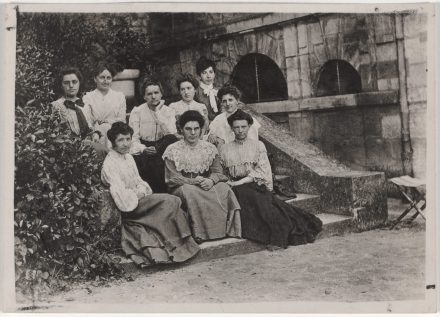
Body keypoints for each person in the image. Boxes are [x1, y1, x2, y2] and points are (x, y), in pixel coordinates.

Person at [101, 121, 200, 267]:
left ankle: (179, 245)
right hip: (130, 207)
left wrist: (141, 190)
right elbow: (120, 195)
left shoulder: (128, 157)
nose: (125, 144)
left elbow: (139, 181)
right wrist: (138, 193)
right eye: (120, 140)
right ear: (113, 142)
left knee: (174, 202)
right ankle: (175, 245)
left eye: (128, 139)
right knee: (172, 201)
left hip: (140, 198)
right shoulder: (110, 163)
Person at [219, 109, 322, 249]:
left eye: (243, 127)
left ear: (249, 127)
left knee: (264, 207)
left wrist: (240, 182)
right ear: (231, 128)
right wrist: (230, 182)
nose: (240, 130)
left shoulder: (258, 145)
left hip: (254, 183)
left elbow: (262, 171)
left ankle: (278, 237)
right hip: (234, 187)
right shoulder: (224, 149)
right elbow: (223, 171)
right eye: (236, 127)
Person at [162, 110, 241, 243]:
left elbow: (218, 172)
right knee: (190, 191)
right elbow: (172, 178)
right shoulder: (172, 150)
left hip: (205, 184)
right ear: (181, 129)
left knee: (224, 188)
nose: (193, 133)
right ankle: (201, 234)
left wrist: (211, 180)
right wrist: (193, 181)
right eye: (188, 129)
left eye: (196, 128)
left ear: (201, 129)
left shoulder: (209, 148)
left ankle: (227, 230)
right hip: (183, 186)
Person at [129, 80, 178, 193]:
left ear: (161, 94)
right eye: (149, 94)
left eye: (156, 92)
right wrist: (143, 149)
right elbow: (133, 138)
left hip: (162, 147)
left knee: (171, 138)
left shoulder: (168, 111)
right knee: (150, 165)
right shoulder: (137, 111)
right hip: (144, 148)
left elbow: (171, 134)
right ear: (144, 97)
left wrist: (158, 113)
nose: (153, 96)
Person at [51, 66, 108, 159]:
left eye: (74, 82)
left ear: (79, 83)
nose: (71, 86)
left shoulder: (86, 104)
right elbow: (55, 132)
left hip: (89, 144)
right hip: (69, 147)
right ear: (61, 85)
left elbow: (94, 124)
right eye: (66, 83)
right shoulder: (56, 106)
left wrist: (96, 133)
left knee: (108, 153)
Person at [83, 63, 127, 148]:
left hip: (115, 134)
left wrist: (107, 122)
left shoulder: (119, 96)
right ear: (95, 79)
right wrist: (95, 132)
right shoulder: (88, 97)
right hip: (96, 135)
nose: (105, 81)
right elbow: (87, 120)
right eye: (102, 77)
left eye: (108, 78)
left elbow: (122, 120)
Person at [194, 57, 221, 121]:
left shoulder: (219, 89)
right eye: (204, 73)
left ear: (214, 74)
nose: (208, 76)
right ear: (199, 75)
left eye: (211, 72)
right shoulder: (196, 92)